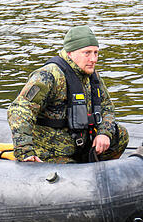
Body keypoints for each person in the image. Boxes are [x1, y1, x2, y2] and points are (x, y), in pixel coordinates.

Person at [7, 25, 129, 163]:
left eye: (96, 53)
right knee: (68, 171)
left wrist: (104, 133)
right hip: (51, 150)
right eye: (87, 53)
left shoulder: (92, 75)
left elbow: (107, 107)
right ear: (70, 53)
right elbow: (19, 110)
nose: (93, 59)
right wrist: (25, 152)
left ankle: (99, 172)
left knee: (121, 134)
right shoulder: (49, 75)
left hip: (82, 144)